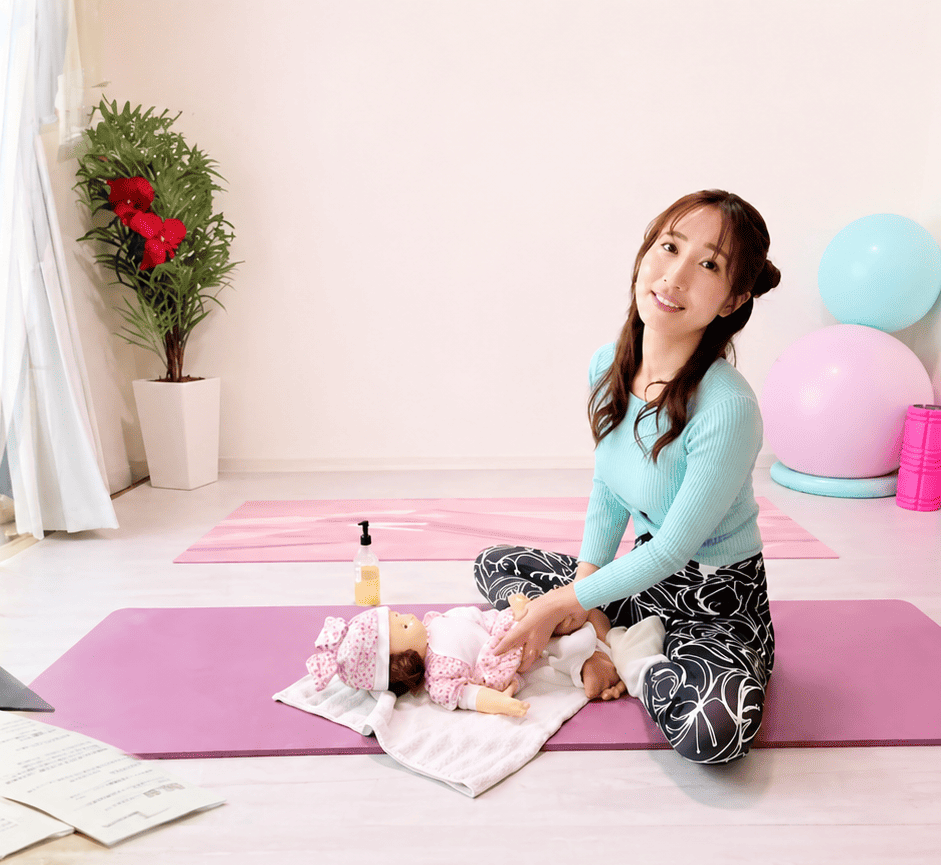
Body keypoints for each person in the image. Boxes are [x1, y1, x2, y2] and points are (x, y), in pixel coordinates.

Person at [474, 190, 782, 764]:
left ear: (733, 298)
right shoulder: (607, 365)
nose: (674, 276)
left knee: (715, 733)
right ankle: (599, 644)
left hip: (715, 602)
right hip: (637, 582)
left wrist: (557, 604)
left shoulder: (727, 408)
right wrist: (587, 595)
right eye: (669, 247)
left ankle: (635, 660)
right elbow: (609, 487)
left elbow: (671, 550)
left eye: (707, 265)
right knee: (496, 564)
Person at [305, 595, 625, 718]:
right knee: (554, 657)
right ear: (402, 660)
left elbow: (479, 618)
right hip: (513, 657)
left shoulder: (435, 622)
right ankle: (589, 662)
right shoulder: (439, 677)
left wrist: (516, 611)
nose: (409, 617)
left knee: (566, 615)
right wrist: (503, 704)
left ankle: (593, 637)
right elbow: (467, 695)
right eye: (402, 624)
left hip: (508, 626)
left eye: (401, 615)